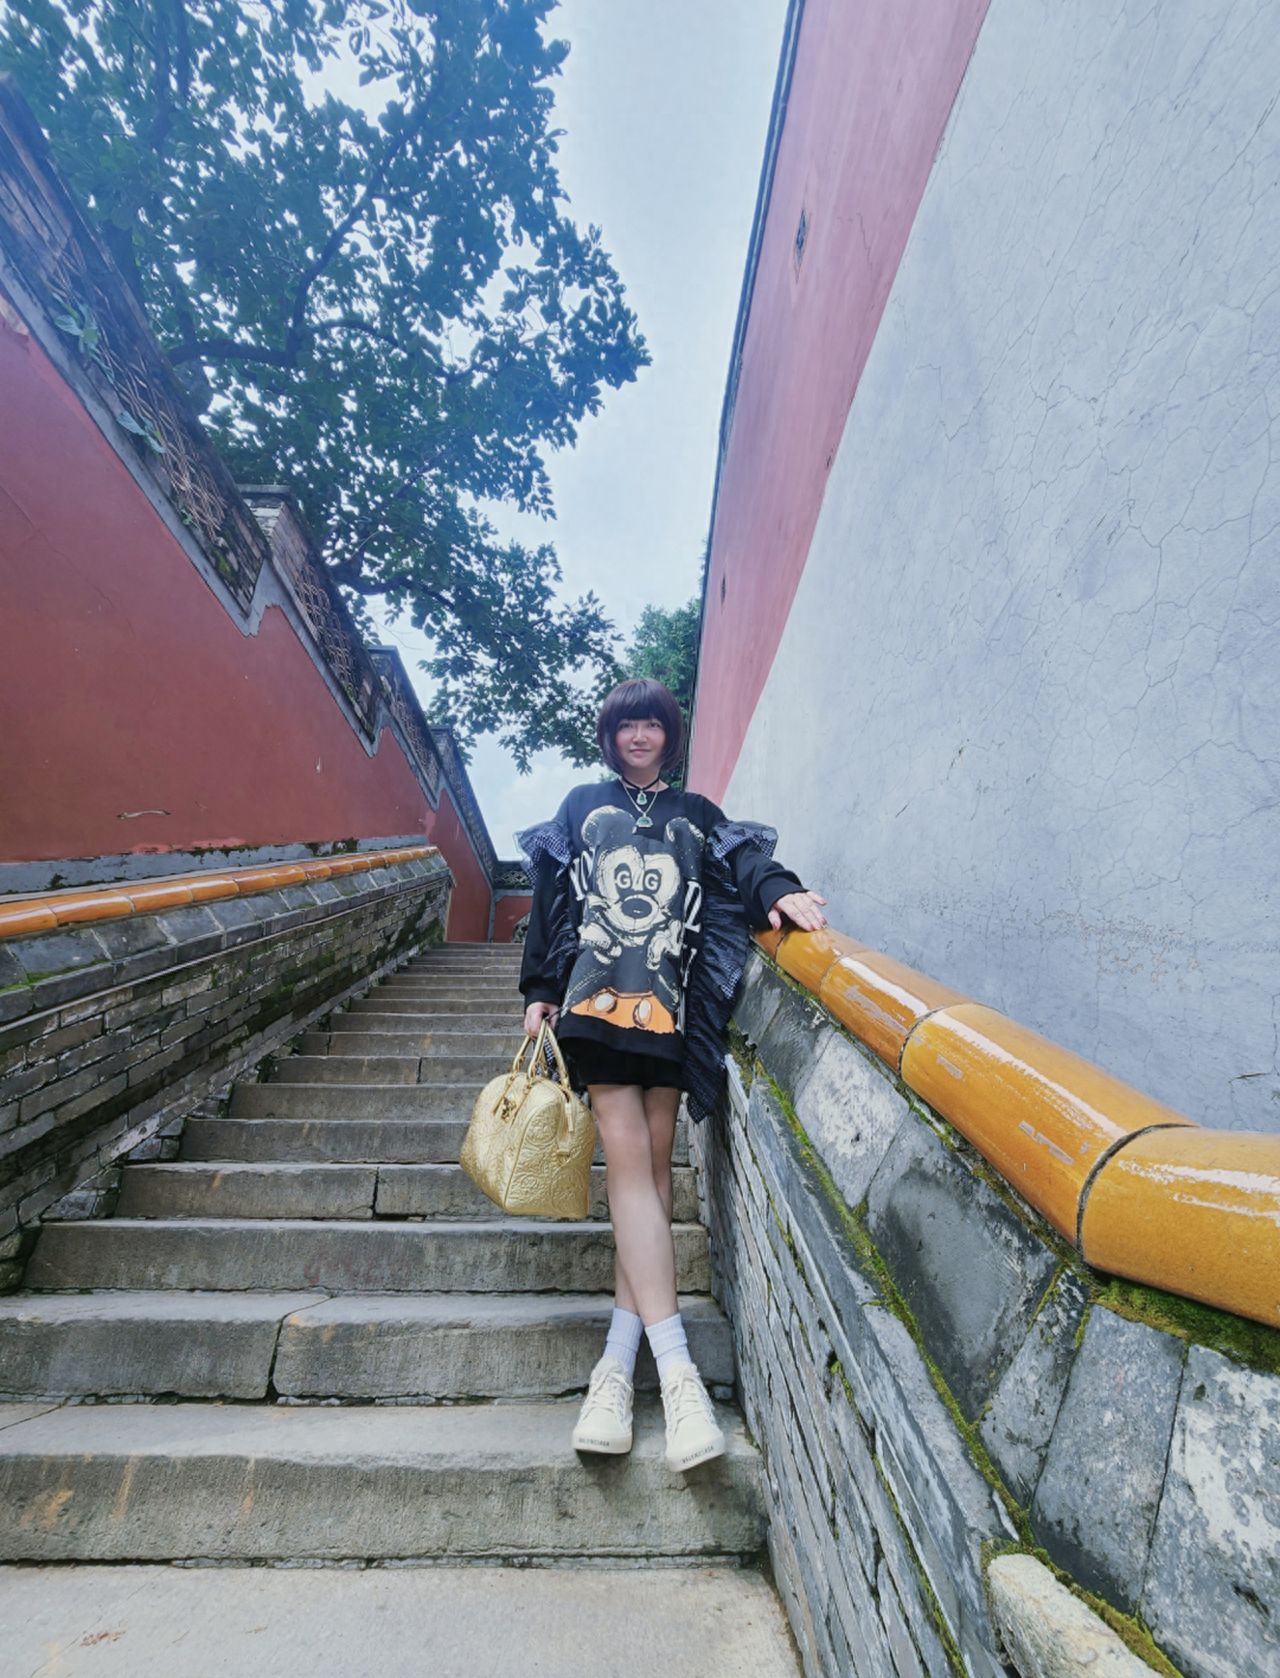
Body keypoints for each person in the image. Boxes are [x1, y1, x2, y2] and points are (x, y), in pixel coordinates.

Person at [515, 677, 826, 1472]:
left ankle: (615, 1370)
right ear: (611, 734)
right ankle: (679, 1371)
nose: (642, 736)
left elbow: (744, 864)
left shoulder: (697, 814)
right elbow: (550, 896)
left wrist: (782, 894)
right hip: (592, 1001)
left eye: (654, 724)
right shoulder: (583, 803)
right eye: (628, 725)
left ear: (669, 733)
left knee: (652, 1175)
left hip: (672, 1011)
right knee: (629, 1164)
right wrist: (540, 992)